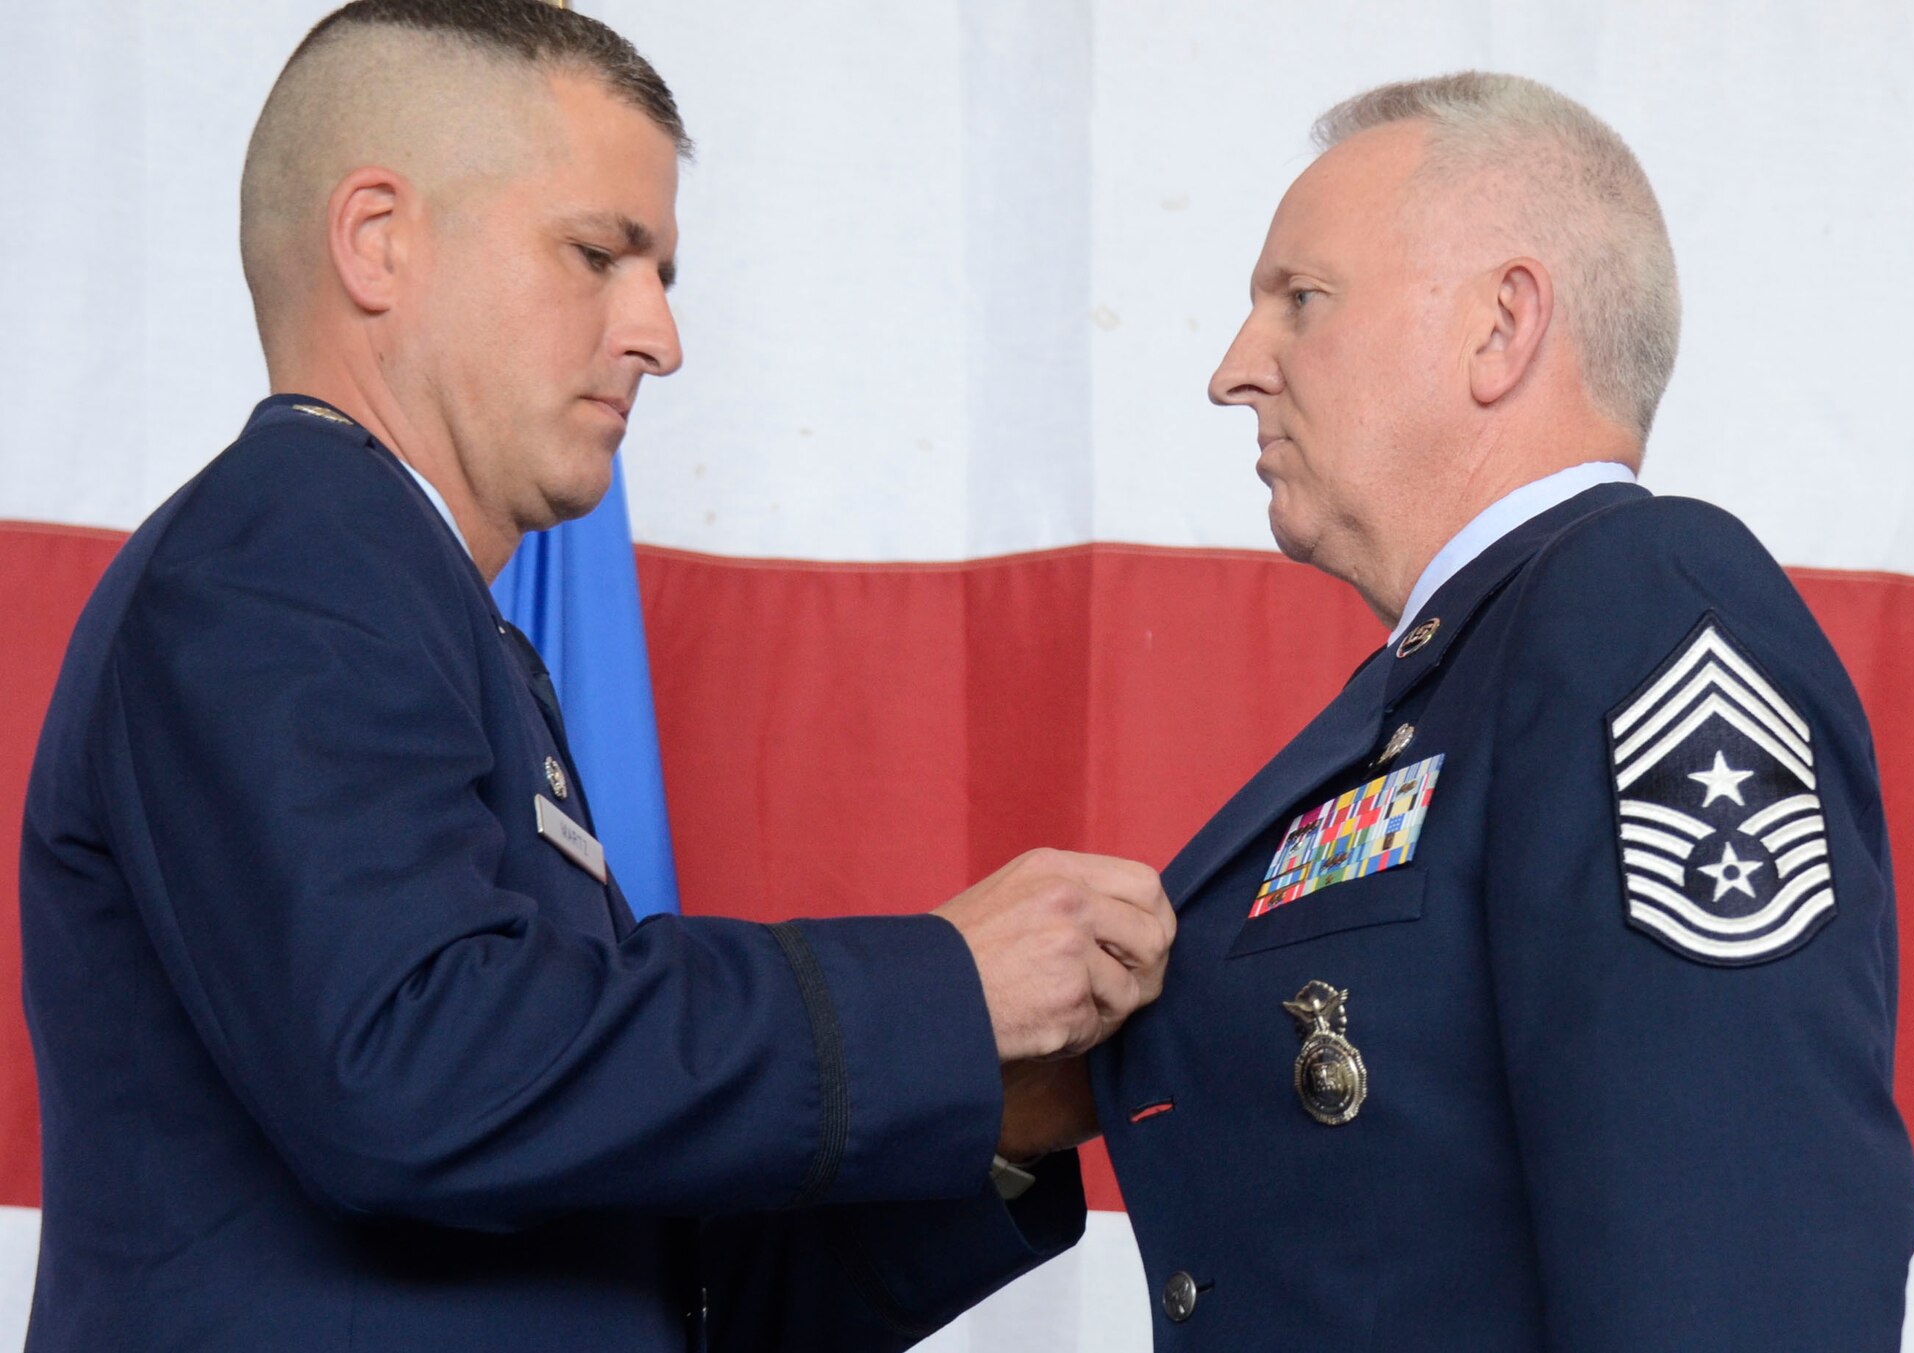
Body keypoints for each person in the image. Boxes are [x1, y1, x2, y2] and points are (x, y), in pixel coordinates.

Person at [16, 4, 1173, 1351]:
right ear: (379, 241)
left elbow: (630, 1277)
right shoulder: (292, 547)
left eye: (661, 272)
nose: (658, 337)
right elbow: (418, 1071)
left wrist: (1000, 1104)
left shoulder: (439, 615)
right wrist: (940, 989)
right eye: (599, 254)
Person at [1064, 72, 1914, 1347]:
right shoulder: (1460, 673)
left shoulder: (1641, 608)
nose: (1233, 372)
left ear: (1499, 326)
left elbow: (1736, 1261)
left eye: (1300, 299)